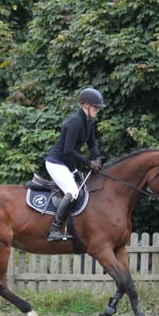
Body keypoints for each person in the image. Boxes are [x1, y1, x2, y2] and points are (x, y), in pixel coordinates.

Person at [43, 87, 105, 241]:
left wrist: (97, 158)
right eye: (95, 107)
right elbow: (68, 151)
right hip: (56, 163)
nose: (97, 110)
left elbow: (92, 144)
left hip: (68, 165)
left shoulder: (88, 122)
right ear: (85, 105)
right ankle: (54, 229)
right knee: (73, 192)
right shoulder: (75, 122)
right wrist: (89, 163)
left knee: (85, 189)